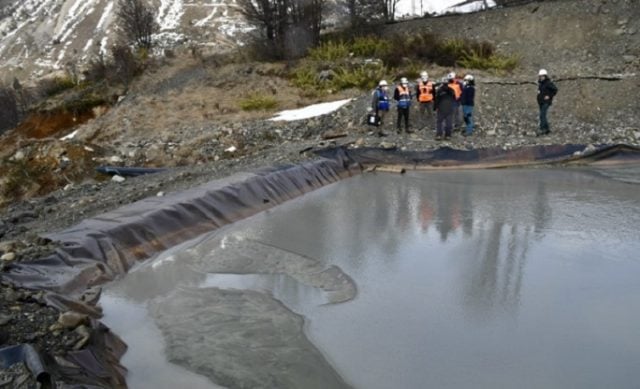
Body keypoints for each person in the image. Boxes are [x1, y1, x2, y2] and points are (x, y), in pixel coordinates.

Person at [537, 69, 558, 136]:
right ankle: (547, 129)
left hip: (546, 102)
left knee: (542, 115)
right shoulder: (541, 83)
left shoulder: (548, 83)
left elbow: (555, 89)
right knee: (542, 115)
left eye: (542, 76)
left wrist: (549, 96)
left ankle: (542, 129)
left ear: (545, 76)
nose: (541, 77)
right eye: (540, 76)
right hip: (541, 102)